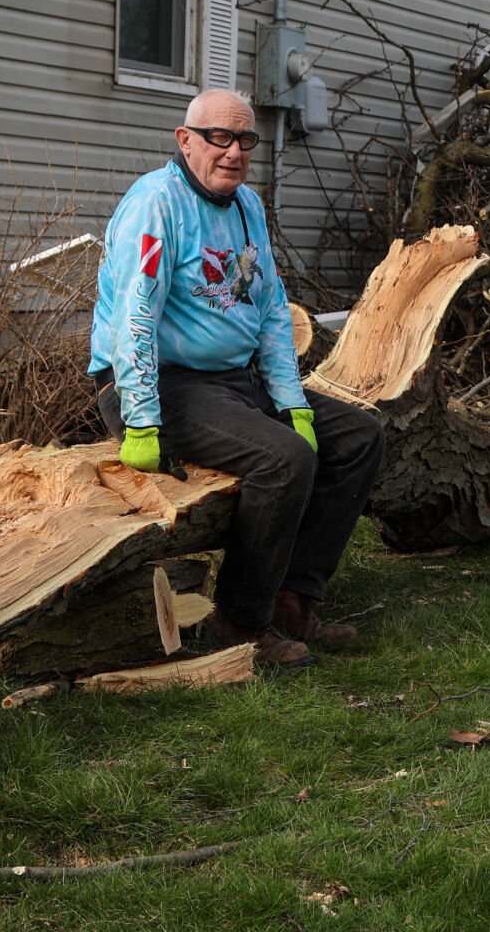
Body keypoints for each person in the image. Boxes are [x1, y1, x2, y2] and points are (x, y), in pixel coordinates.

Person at [89, 89, 384, 667]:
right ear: (185, 140)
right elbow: (135, 319)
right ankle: (240, 623)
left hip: (230, 379)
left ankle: (290, 600)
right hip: (161, 384)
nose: (233, 152)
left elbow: (270, 308)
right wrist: (141, 420)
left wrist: (291, 400)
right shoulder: (157, 204)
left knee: (357, 437)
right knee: (286, 458)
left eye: (245, 139)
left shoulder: (248, 205)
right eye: (218, 137)